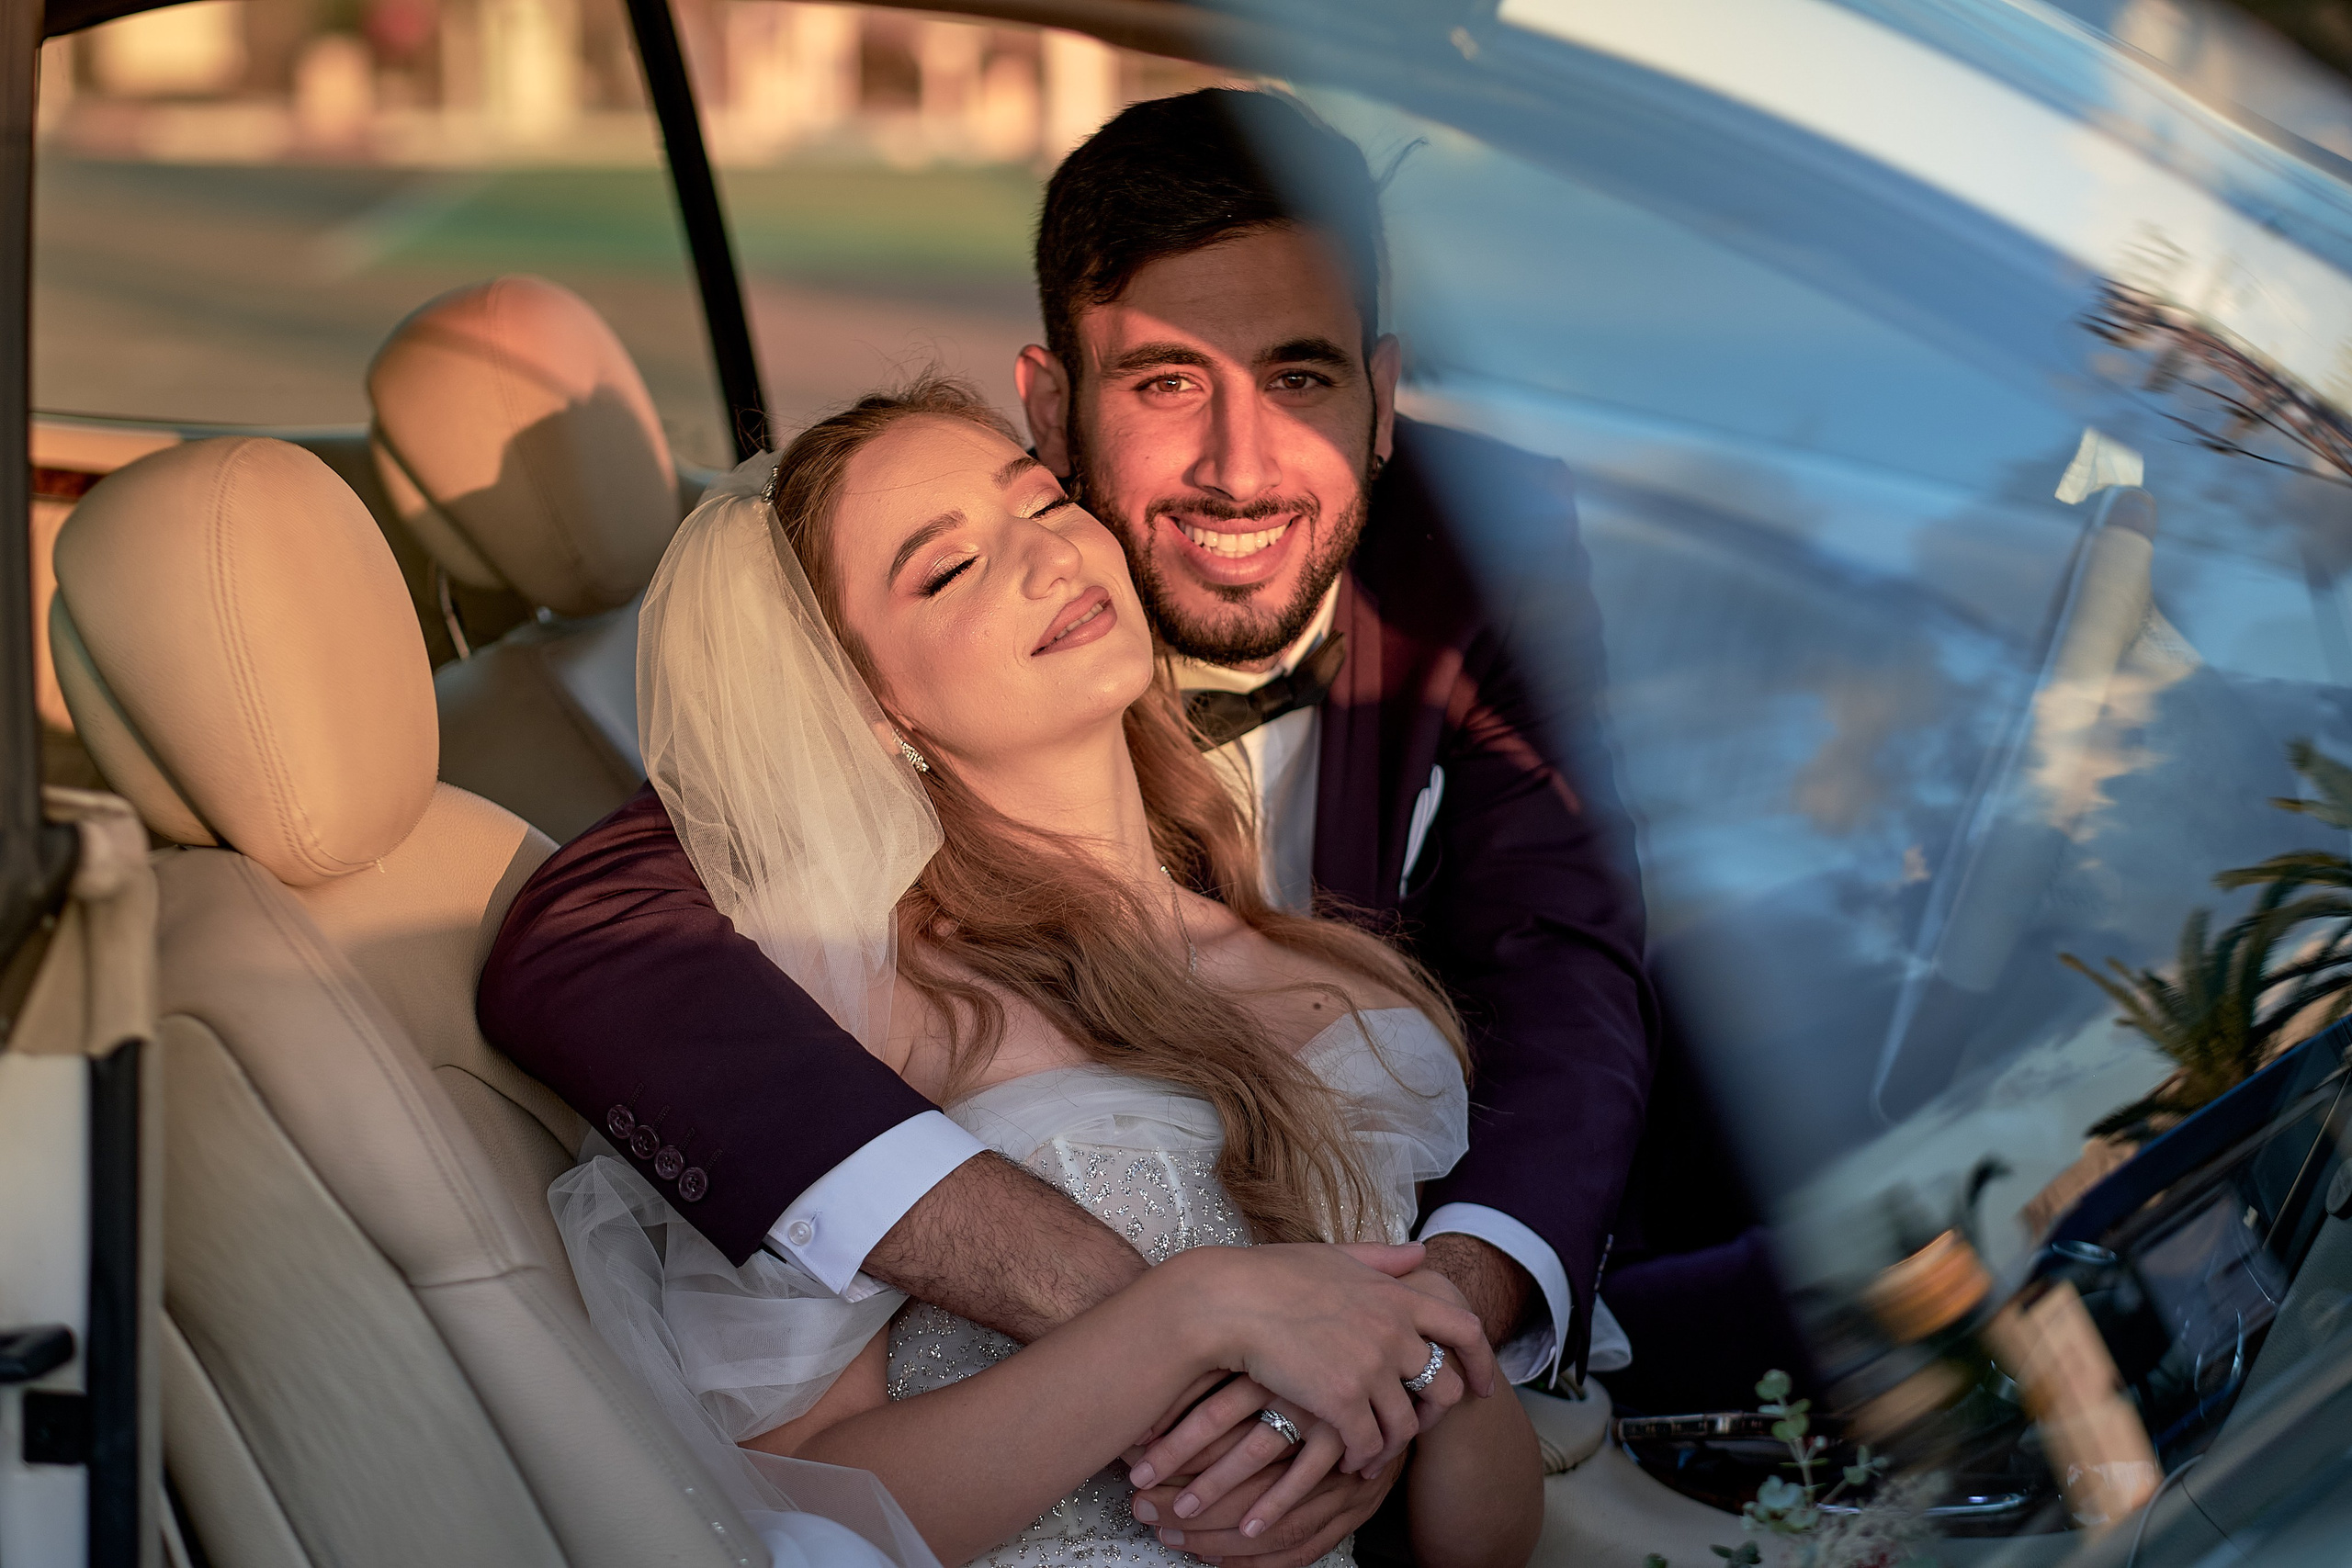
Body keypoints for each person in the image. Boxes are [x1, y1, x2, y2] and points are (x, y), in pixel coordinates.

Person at [480, 88, 1655, 1563]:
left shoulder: (1478, 570)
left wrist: (1423, 1340)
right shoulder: (852, 947)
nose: (1238, 465)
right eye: (1166, 382)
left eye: (1297, 376)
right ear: (1054, 404)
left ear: (1380, 394)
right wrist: (1174, 1316)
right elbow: (594, 930)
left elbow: (1567, 964)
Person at [550, 380, 1540, 1568]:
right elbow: (788, 1511)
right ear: (870, 707)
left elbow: (1483, 1536)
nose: (1046, 557)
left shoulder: (1347, 989)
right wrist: (1187, 1315)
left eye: (1046, 500)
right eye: (947, 569)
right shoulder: (853, 1010)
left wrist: (1416, 1378)